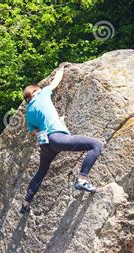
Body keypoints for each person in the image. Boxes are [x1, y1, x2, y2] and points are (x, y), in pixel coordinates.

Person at [19, 62, 103, 214]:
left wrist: (58, 122)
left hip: (46, 144)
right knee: (96, 145)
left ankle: (26, 203)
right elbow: (55, 82)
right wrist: (62, 68)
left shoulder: (28, 112)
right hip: (56, 138)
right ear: (35, 92)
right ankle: (82, 179)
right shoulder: (42, 94)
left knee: (41, 171)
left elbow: (34, 132)